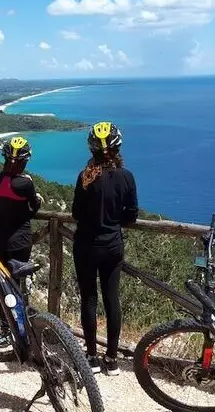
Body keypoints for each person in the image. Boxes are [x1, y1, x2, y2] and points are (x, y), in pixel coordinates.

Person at [71, 122, 137, 376]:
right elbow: (131, 215)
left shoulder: (85, 176)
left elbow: (76, 212)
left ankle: (91, 357)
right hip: (112, 246)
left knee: (88, 299)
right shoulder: (126, 177)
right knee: (112, 300)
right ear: (118, 146)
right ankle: (112, 359)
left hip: (86, 245)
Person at [0, 136, 42, 266]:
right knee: (15, 282)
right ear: (24, 161)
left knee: (0, 282)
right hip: (20, 240)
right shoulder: (25, 184)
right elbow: (33, 208)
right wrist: (38, 199)